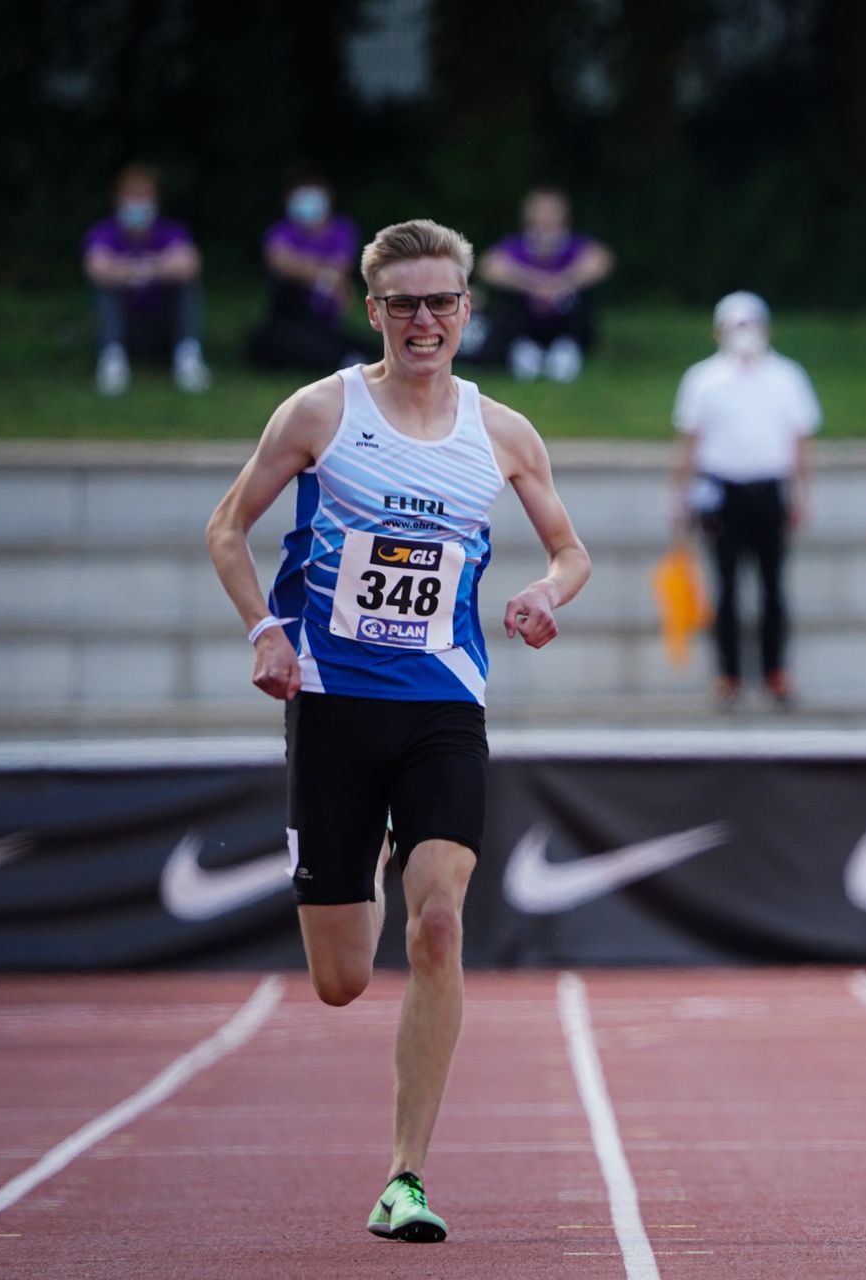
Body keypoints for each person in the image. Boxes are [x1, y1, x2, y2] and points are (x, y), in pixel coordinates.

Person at [204, 219, 590, 1242]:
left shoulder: (500, 431)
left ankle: (406, 1175)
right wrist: (263, 633)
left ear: (469, 308)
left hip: (441, 708)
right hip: (332, 708)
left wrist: (546, 594)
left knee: (440, 925)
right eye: (405, 303)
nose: (425, 320)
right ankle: (367, 856)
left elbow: (571, 551)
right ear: (372, 309)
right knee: (338, 980)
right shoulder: (321, 410)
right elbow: (227, 528)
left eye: (442, 302)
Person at [669, 291, 819, 708]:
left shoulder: (787, 377)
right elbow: (691, 443)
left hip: (769, 492)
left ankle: (775, 672)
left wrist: (801, 494)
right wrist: (681, 497)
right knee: (726, 588)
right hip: (722, 495)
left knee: (773, 587)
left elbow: (799, 442)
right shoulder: (703, 379)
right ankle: (728, 675)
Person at [82, 162, 209, 395]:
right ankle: (112, 361)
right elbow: (97, 269)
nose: (138, 202)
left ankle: (188, 358)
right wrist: (154, 268)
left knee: (186, 285)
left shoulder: (172, 230)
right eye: (133, 195)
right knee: (106, 289)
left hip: (163, 325)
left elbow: (189, 265)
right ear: (119, 198)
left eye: (145, 196)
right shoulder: (103, 232)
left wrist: (134, 270)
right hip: (125, 326)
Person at [473, 186, 614, 382]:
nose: (546, 218)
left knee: (581, 300)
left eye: (552, 211)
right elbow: (489, 266)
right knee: (507, 302)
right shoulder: (517, 246)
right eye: (540, 211)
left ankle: (566, 350)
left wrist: (561, 283)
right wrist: (533, 285)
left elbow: (601, 262)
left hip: (564, 318)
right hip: (526, 319)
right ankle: (524, 351)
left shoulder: (574, 245)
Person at [246, 171, 371, 372]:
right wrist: (324, 276)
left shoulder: (342, 229)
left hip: (324, 323)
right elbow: (279, 262)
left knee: (365, 344)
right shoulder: (281, 231)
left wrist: (303, 268)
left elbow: (340, 269)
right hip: (287, 317)